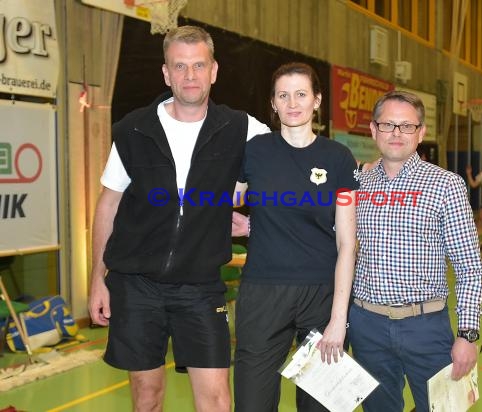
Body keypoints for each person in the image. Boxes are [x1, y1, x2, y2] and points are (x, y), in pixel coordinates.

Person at [88, 25, 269, 412]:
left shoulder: (243, 128)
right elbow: (108, 206)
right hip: (136, 285)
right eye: (180, 66)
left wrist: (351, 170)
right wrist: (96, 280)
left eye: (198, 65)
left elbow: (290, 165)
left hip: (200, 286)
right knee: (148, 399)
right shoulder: (134, 130)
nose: (190, 76)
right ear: (166, 73)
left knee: (218, 400)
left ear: (214, 71)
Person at [348, 90, 482, 412]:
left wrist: (467, 333)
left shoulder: (446, 185)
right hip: (368, 327)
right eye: (387, 125)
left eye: (406, 126)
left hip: (427, 327)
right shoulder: (357, 184)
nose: (396, 134)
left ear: (421, 133)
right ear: (373, 130)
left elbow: (469, 266)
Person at [231, 62, 358, 412]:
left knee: (320, 406)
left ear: (316, 100)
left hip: (321, 296)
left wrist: (337, 317)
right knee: (252, 404)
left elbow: (347, 243)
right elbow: (224, 202)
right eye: (283, 95)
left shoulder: (339, 158)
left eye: (301, 94)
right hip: (262, 294)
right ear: (272, 103)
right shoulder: (255, 151)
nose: (292, 102)